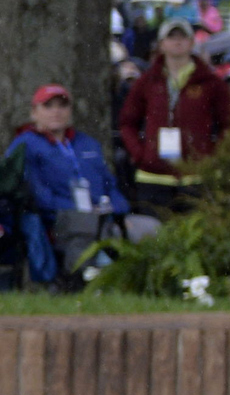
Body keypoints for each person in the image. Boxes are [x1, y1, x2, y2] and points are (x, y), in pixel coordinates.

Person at [5, 85, 138, 288]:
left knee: (148, 227)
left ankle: (139, 285)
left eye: (62, 105)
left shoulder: (88, 144)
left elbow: (110, 185)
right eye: (48, 106)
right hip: (58, 218)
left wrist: (117, 206)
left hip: (103, 214)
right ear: (34, 113)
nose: (56, 111)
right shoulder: (25, 145)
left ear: (70, 111)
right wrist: (81, 210)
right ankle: (87, 284)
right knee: (85, 226)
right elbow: (37, 195)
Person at [115, 14, 230, 217]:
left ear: (191, 42)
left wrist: (214, 156)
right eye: (171, 37)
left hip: (197, 176)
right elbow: (127, 122)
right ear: (161, 44)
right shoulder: (147, 81)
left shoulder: (210, 82)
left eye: (183, 36)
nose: (177, 41)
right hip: (153, 177)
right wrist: (141, 154)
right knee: (154, 238)